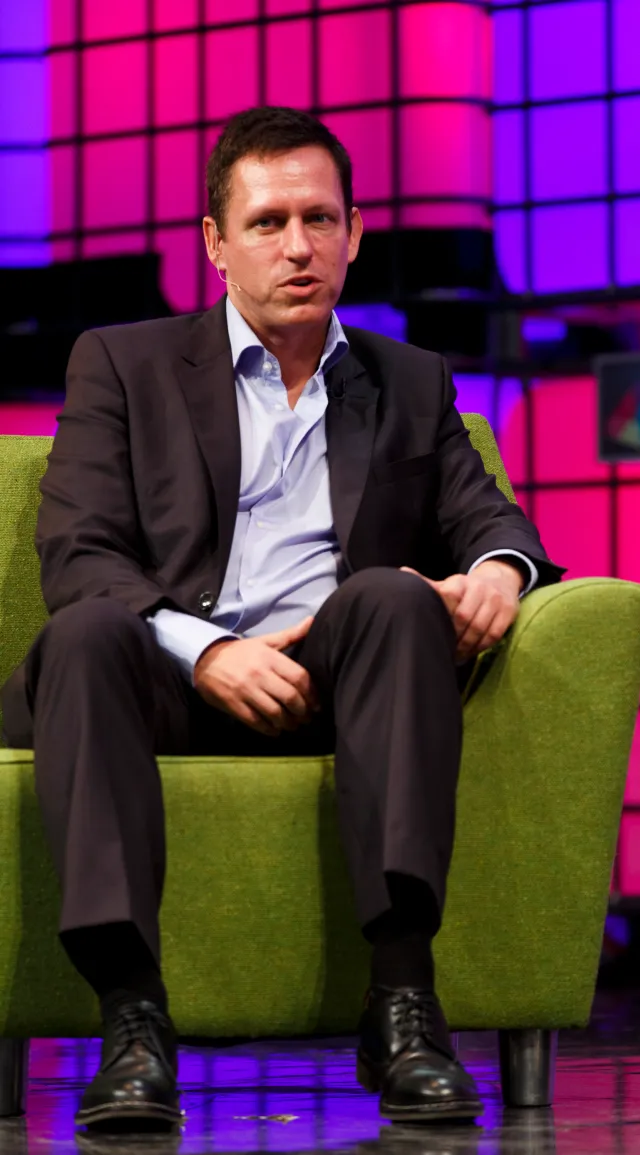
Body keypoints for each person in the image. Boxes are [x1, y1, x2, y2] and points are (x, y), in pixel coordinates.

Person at [1, 106, 564, 1131]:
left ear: (354, 234)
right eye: (266, 222)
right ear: (215, 245)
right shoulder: (121, 365)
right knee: (81, 632)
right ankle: (130, 1018)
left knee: (396, 596)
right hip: (164, 678)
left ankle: (400, 1003)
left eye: (319, 219)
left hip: (335, 679)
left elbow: (490, 517)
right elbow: (77, 554)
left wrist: (496, 568)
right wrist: (209, 651)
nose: (296, 246)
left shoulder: (407, 381)